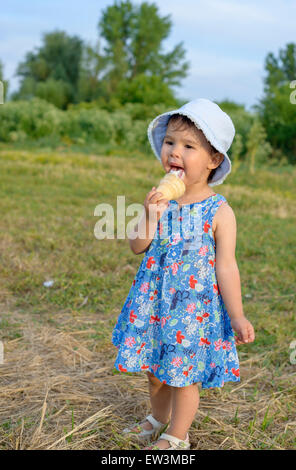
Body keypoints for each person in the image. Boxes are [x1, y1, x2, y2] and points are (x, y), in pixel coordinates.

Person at [111, 98, 255, 450]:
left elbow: (227, 266)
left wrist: (236, 315)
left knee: (183, 376)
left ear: (213, 160)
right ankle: (157, 418)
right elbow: (137, 245)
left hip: (192, 311)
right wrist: (149, 214)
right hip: (155, 302)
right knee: (155, 372)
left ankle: (178, 435)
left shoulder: (219, 211)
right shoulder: (161, 200)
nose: (175, 151)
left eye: (189, 146)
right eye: (170, 142)